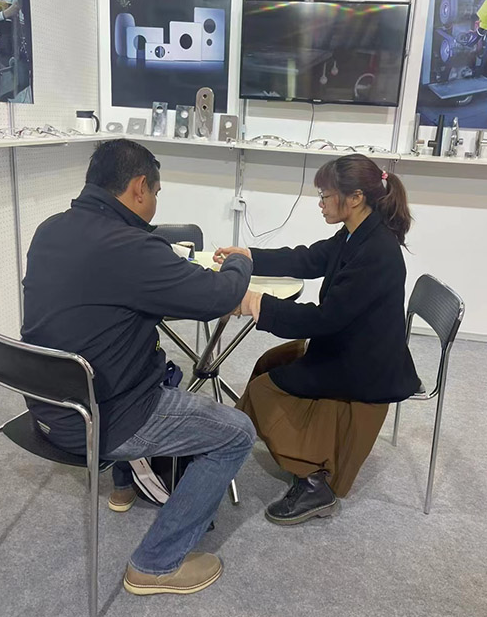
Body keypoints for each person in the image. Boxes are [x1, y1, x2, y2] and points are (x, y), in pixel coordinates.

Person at [21, 139, 256, 595]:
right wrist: (239, 264)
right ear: (140, 187)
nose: (155, 202)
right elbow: (218, 297)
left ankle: (125, 486)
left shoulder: (50, 229)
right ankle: (156, 564)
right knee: (236, 433)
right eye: (157, 192)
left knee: (149, 364)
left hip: (47, 406)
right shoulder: (131, 247)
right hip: (102, 421)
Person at [214, 153, 420, 526]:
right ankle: (235, 440)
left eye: (325, 195)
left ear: (355, 198)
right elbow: (309, 259)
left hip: (364, 366)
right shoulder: (356, 232)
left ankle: (314, 482)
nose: (321, 203)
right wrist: (250, 255)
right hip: (351, 348)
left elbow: (325, 319)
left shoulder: (377, 252)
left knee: (263, 389)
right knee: (271, 363)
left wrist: (256, 303)